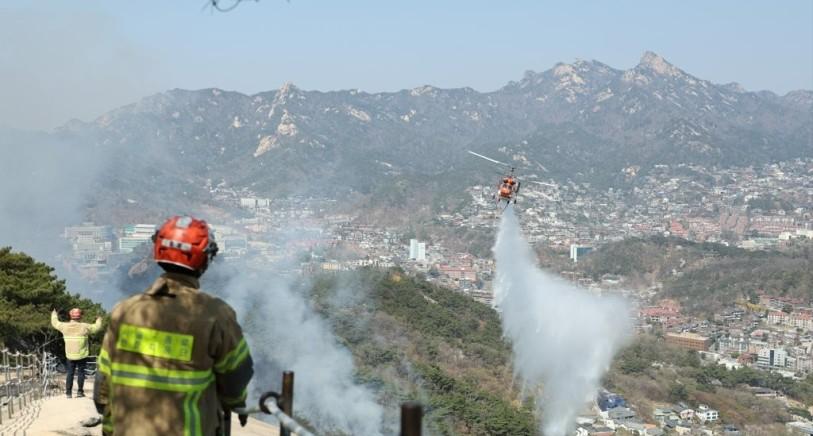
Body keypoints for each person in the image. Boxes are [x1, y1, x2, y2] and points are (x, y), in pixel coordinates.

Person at [94, 216, 253, 436]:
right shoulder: (215, 315)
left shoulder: (124, 311)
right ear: (204, 260)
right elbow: (237, 377)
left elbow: (102, 385)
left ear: (158, 250)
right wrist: (235, 402)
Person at [51, 307, 102, 398]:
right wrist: (98, 319)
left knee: (70, 373)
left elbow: (55, 323)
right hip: (82, 355)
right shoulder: (85, 327)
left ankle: (68, 393)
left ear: (70, 316)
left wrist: (54, 313)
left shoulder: (64, 326)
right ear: (80, 317)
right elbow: (96, 327)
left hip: (70, 355)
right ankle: (80, 392)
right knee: (81, 373)